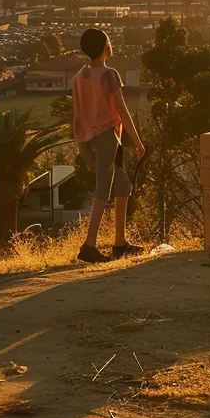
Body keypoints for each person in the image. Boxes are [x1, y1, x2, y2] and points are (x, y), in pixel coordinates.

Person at [72, 28, 146, 263]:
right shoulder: (110, 74)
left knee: (122, 184)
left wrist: (81, 144)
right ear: (105, 46)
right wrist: (137, 141)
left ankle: (120, 243)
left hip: (89, 137)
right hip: (106, 135)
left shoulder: (79, 76)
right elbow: (122, 109)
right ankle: (89, 245)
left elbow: (76, 113)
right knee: (103, 189)